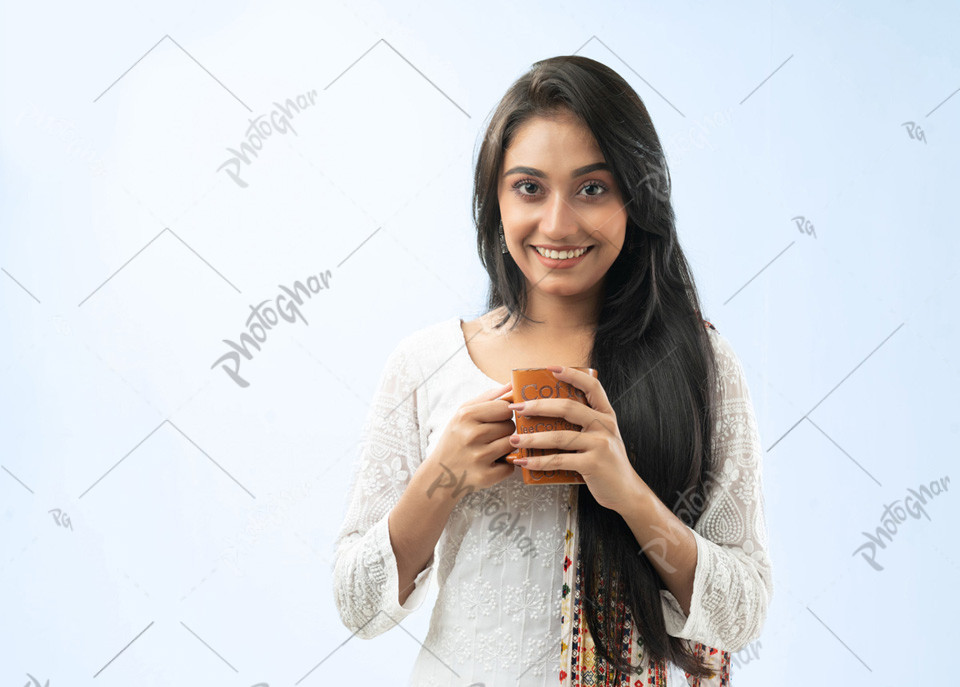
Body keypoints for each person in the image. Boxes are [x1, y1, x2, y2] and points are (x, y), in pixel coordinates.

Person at [332, 55, 773, 686]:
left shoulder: (697, 366)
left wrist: (627, 494)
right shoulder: (426, 365)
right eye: (529, 187)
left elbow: (741, 613)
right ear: (496, 199)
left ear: (634, 198)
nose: (558, 224)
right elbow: (357, 605)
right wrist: (443, 479)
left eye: (592, 188)